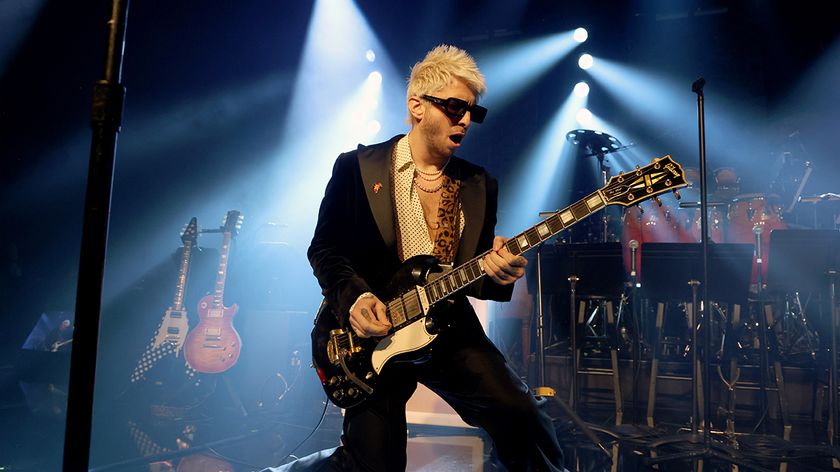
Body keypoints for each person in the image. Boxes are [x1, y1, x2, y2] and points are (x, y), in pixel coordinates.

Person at [304, 44, 564, 471]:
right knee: (373, 464)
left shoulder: (479, 184)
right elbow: (325, 249)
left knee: (523, 416)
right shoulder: (357, 167)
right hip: (373, 335)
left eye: (472, 112)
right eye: (453, 107)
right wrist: (354, 300)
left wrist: (502, 272)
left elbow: (476, 275)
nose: (464, 119)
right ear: (417, 106)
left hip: (446, 327)